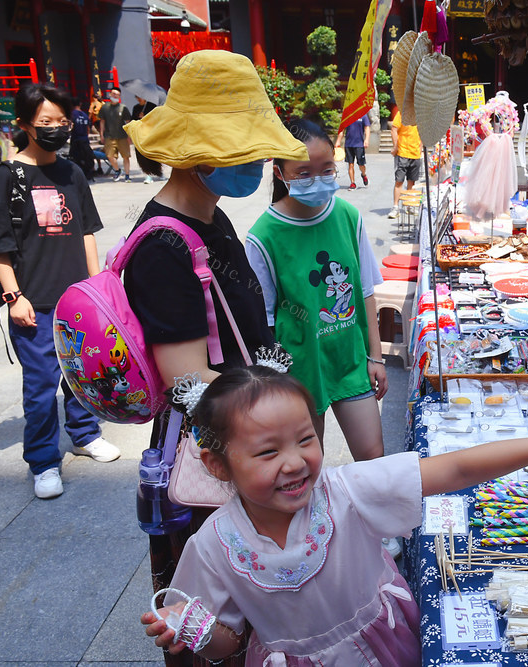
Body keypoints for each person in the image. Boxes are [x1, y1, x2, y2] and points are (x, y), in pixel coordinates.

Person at [141, 365, 528, 664]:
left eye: (307, 439)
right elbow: (227, 644)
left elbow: (457, 466)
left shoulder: (345, 490)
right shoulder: (214, 547)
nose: (295, 462)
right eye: (268, 453)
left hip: (387, 645)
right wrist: (193, 629)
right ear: (218, 463)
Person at [122, 49, 309, 667]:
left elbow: (243, 335)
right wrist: (265, 419)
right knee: (208, 620)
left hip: (246, 437)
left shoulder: (214, 218)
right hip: (216, 455)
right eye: (244, 151)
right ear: (198, 153)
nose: (259, 164)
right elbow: (184, 385)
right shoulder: (165, 246)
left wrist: (278, 370)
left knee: (255, 609)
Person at [0, 83, 120, 499]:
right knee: (41, 385)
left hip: (76, 299)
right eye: (46, 122)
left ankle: (84, 434)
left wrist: (97, 288)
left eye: (62, 121)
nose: (56, 129)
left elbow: (85, 231)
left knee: (82, 375)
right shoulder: (9, 176)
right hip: (34, 302)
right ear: (25, 124)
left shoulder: (72, 172)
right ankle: (44, 460)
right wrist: (15, 296)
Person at [247, 118, 387, 462]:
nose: (318, 180)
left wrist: (376, 355)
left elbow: (365, 291)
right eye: (304, 172)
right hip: (300, 370)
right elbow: (263, 320)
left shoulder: (347, 216)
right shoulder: (263, 236)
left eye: (327, 169)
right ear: (280, 174)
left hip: (350, 359)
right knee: (309, 466)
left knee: (373, 457)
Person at [388, 108, 421, 219]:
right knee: (399, 181)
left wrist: (420, 148)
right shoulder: (403, 113)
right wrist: (396, 147)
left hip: (415, 153)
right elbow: (394, 128)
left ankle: (409, 205)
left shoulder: (422, 114)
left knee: (412, 181)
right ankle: (396, 207)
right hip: (403, 152)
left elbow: (423, 132)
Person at [98, 87, 132, 182]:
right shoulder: (105, 107)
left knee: (126, 156)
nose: (115, 96)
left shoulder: (123, 108)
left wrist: (129, 135)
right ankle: (117, 170)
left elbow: (128, 122)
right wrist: (101, 134)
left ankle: (127, 175)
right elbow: (102, 121)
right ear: (110, 94)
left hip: (122, 136)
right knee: (109, 156)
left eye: (117, 94)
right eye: (113, 94)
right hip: (109, 136)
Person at [334, 113, 370, 190]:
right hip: (349, 144)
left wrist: (366, 140)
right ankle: (352, 183)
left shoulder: (363, 115)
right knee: (350, 164)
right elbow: (342, 130)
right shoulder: (347, 115)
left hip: (359, 144)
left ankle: (363, 175)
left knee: (361, 164)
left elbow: (367, 127)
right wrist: (338, 141)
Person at [131, 96, 162, 185]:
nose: (139, 98)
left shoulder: (151, 106)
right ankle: (147, 174)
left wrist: (145, 117)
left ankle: (158, 171)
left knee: (154, 153)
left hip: (151, 133)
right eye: (137, 97)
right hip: (140, 134)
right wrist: (139, 118)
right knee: (143, 154)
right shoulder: (136, 107)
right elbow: (133, 121)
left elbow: (156, 119)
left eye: (141, 97)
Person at [68, 98, 95, 181]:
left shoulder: (71, 115)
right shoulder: (85, 115)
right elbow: (88, 128)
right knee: (87, 158)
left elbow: (70, 127)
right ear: (80, 104)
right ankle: (88, 174)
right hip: (85, 140)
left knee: (75, 159)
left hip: (76, 140)